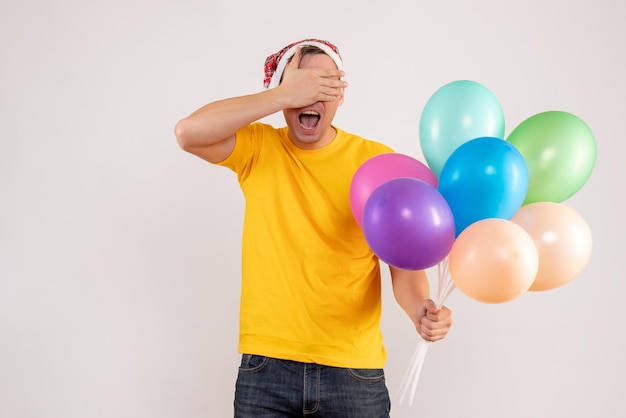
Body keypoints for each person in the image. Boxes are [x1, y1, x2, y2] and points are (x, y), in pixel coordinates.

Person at [175, 38, 453, 418]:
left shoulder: (377, 162)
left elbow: (402, 265)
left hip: (354, 374)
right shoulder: (258, 148)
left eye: (325, 84)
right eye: (301, 84)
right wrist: (281, 96)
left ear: (341, 94)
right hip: (266, 368)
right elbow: (188, 132)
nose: (312, 95)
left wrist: (420, 309)